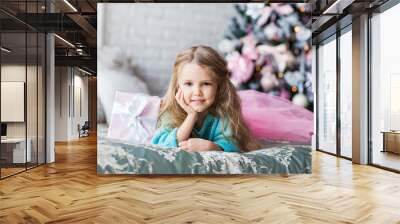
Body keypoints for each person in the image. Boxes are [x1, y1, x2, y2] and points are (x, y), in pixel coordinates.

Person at [151, 46, 258, 152]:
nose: (197, 92)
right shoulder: (171, 112)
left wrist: (213, 147)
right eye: (188, 84)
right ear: (178, 86)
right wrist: (191, 116)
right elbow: (162, 145)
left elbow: (233, 144)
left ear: (219, 86)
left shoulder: (223, 113)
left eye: (206, 84)